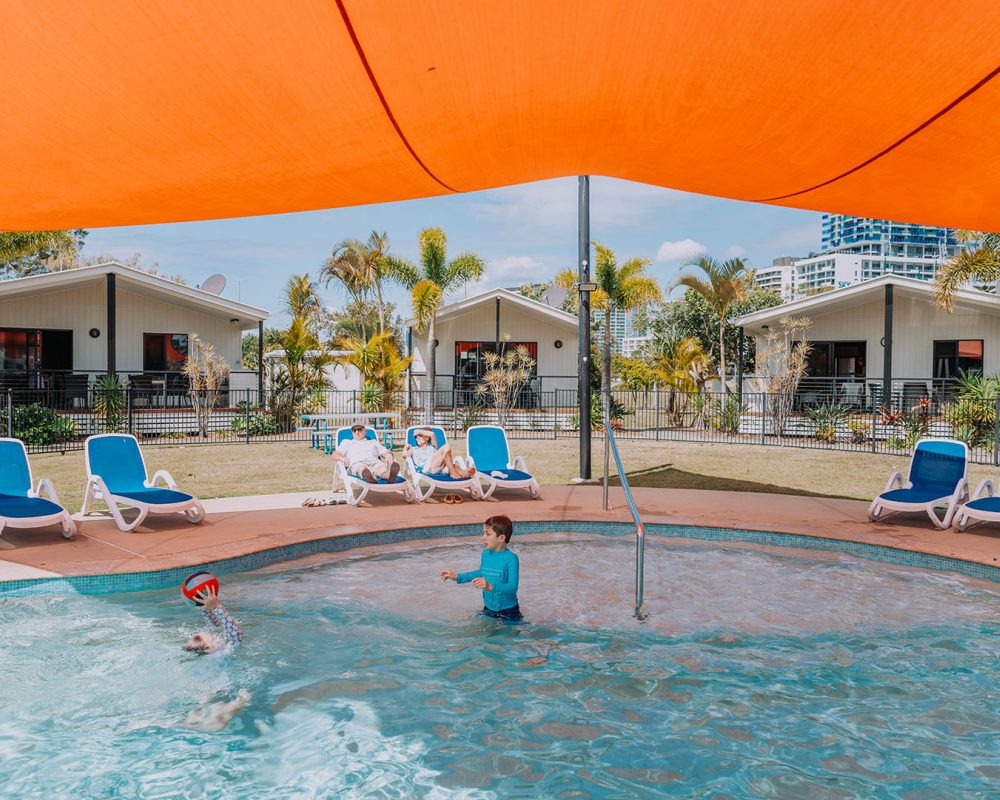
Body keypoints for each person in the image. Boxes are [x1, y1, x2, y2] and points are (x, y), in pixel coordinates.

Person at [441, 514, 521, 621]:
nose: (483, 537)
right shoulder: (486, 554)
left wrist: (490, 587)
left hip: (508, 611)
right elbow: (483, 572)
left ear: (501, 538)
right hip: (489, 608)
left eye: (487, 534)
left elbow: (512, 587)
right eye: (483, 533)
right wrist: (457, 577)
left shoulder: (511, 558)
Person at [183, 586, 244, 654]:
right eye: (213, 639)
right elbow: (236, 636)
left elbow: (214, 626)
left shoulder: (210, 654)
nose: (217, 636)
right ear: (207, 648)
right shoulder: (224, 654)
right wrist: (217, 607)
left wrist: (204, 608)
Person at [332, 423, 400, 483]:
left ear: (364, 430)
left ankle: (390, 476)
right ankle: (369, 477)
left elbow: (384, 452)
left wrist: (388, 455)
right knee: (362, 469)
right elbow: (334, 455)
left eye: (359, 429)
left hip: (374, 462)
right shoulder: (347, 442)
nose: (357, 432)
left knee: (381, 469)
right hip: (357, 463)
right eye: (354, 430)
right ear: (352, 432)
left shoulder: (373, 442)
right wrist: (341, 458)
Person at [403, 428, 476, 479]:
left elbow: (432, 434)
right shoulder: (414, 449)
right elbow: (405, 456)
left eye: (420, 435)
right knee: (446, 447)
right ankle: (453, 473)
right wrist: (405, 448)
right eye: (416, 437)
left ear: (427, 438)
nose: (417, 438)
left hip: (439, 469)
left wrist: (418, 431)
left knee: (452, 465)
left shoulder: (432, 446)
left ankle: (464, 473)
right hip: (426, 468)